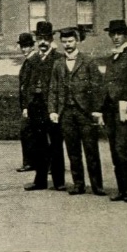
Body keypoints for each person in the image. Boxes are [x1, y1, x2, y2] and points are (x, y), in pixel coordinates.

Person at [47, 27, 106, 195]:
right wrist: (53, 110)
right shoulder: (58, 64)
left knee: (91, 150)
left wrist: (97, 110)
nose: (67, 45)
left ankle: (97, 186)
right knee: (73, 151)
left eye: (70, 41)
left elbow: (98, 88)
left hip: (85, 113)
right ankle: (78, 184)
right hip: (66, 113)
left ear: (77, 41)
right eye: (64, 42)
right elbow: (53, 89)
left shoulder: (88, 62)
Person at [100, 19, 127, 203]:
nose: (116, 37)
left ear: (125, 35)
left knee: (123, 150)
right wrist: (102, 111)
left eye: (119, 33)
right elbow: (106, 86)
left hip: (125, 110)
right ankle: (123, 189)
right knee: (114, 151)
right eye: (113, 34)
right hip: (111, 111)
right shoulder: (112, 58)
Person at [23, 21, 66, 191]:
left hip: (52, 106)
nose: (42, 42)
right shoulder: (32, 60)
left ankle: (59, 181)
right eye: (39, 38)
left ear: (51, 39)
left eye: (46, 38)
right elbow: (27, 85)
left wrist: (57, 107)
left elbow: (62, 85)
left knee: (56, 143)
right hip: (36, 107)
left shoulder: (58, 58)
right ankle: (40, 180)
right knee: (39, 144)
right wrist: (26, 105)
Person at [16, 32, 37, 173]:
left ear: (32, 46)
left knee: (29, 132)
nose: (24, 49)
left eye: (27, 46)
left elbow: (32, 86)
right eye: (22, 46)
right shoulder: (28, 61)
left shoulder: (34, 62)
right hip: (27, 104)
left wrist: (27, 107)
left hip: (33, 104)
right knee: (28, 133)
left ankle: (31, 163)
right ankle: (31, 162)